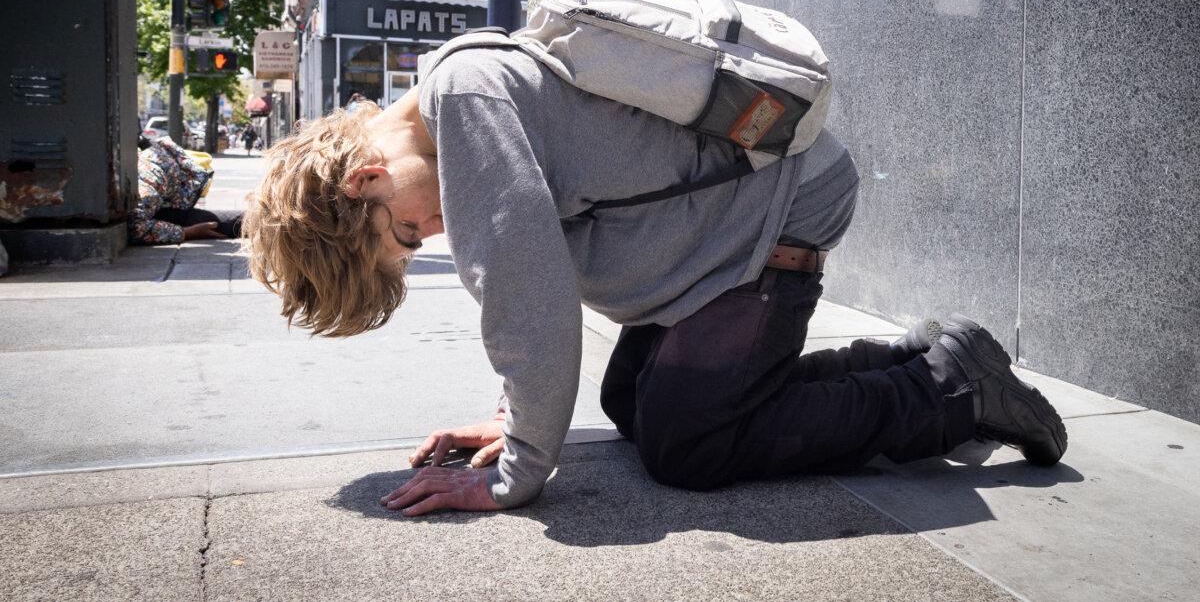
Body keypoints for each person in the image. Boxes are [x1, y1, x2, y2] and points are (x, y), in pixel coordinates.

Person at [242, 48, 1066, 517]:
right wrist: (512, 416)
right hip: (722, 238)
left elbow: (528, 303)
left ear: (364, 179)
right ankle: (911, 361)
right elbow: (542, 273)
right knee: (633, 399)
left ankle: (951, 392)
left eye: (405, 232)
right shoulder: (461, 96)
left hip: (774, 215)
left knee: (689, 443)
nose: (432, 235)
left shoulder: (465, 113)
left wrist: (512, 473)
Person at [129, 136, 243, 244]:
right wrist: (188, 232)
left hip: (160, 205)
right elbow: (136, 227)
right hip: (153, 208)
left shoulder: (159, 161)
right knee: (211, 222)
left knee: (211, 220)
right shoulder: (153, 182)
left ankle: (255, 220)